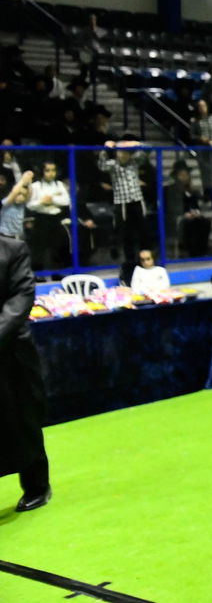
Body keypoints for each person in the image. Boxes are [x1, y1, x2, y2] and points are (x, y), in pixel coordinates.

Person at [0, 235, 49, 512]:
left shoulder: (13, 248)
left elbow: (22, 296)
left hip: (12, 349)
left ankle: (37, 485)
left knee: (24, 418)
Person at [99, 138, 148, 270]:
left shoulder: (134, 162)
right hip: (123, 204)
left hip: (137, 201)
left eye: (126, 152)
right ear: (117, 153)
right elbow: (102, 165)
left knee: (143, 231)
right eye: (121, 152)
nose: (124, 154)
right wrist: (105, 149)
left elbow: (146, 152)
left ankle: (144, 260)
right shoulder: (113, 165)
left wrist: (137, 144)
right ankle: (130, 263)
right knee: (127, 234)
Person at [26, 161, 72, 272]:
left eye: (53, 170)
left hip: (56, 218)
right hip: (41, 218)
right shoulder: (35, 186)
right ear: (42, 171)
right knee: (38, 248)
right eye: (48, 170)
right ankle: (38, 274)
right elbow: (30, 205)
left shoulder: (59, 185)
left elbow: (66, 201)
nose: (51, 173)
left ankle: (57, 273)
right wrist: (41, 202)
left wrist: (52, 200)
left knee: (57, 247)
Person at [164, 163, 210, 258]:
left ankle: (202, 250)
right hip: (178, 217)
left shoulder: (192, 190)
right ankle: (190, 251)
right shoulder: (171, 189)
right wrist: (184, 214)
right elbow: (171, 207)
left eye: (186, 175)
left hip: (192, 216)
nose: (185, 177)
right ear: (176, 176)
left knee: (205, 222)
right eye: (182, 175)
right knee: (189, 224)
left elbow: (196, 205)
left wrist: (196, 212)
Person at [188, 99, 212, 206]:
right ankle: (207, 194)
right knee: (204, 173)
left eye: (203, 105)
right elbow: (192, 135)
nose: (202, 108)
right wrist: (201, 139)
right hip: (202, 150)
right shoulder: (195, 121)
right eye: (199, 106)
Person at [1, 170, 32, 240]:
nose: (21, 197)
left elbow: (29, 194)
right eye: (19, 194)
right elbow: (14, 192)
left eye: (23, 195)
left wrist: (29, 181)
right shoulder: (6, 202)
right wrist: (23, 180)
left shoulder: (22, 205)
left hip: (18, 235)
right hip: (4, 235)